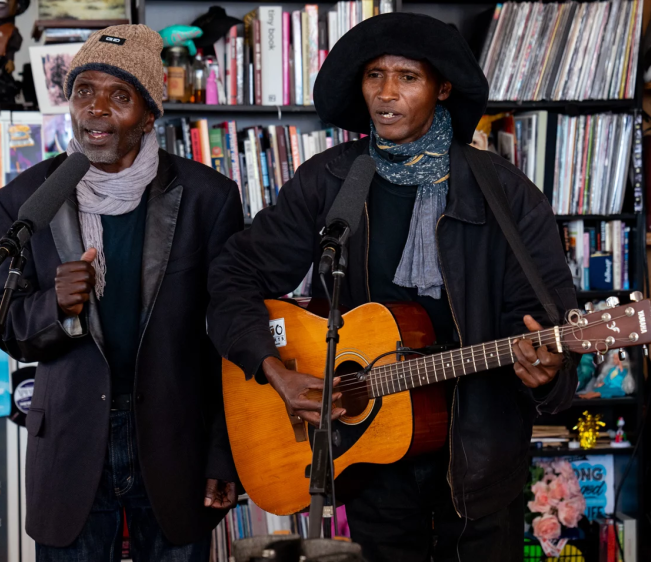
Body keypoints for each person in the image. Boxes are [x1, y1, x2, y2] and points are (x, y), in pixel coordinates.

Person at [206, 13, 578, 562]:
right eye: (374, 75)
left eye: (407, 77)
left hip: (478, 470)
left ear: (442, 88)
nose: (386, 93)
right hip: (366, 461)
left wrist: (545, 372)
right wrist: (271, 366)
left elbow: (546, 322)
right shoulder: (330, 181)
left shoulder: (505, 193)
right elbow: (233, 273)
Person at [0, 25, 243, 561]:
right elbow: (4, 326)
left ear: (149, 115)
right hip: (71, 444)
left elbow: (228, 335)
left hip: (176, 443)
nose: (96, 109)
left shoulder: (206, 199)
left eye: (118, 96)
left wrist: (225, 453)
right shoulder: (24, 201)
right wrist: (53, 305)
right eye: (84, 91)